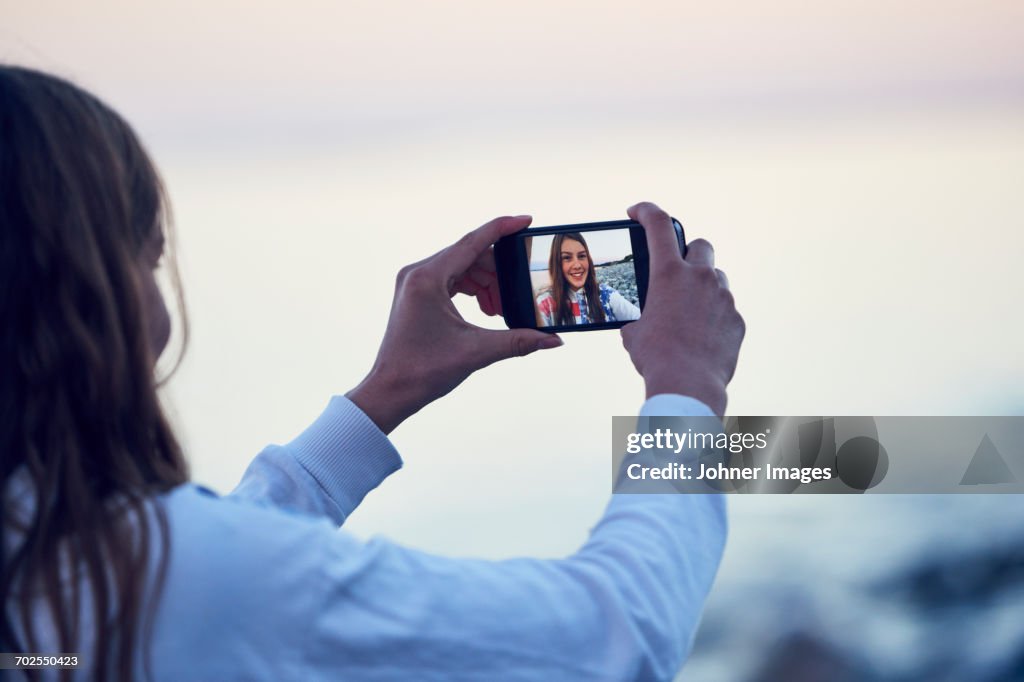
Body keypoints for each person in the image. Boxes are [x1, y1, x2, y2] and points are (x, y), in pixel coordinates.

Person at [0, 65, 745, 681]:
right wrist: (686, 389)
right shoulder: (158, 580)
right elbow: (615, 641)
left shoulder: (51, 560)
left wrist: (381, 398)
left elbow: (219, 575)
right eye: (149, 258)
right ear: (82, 283)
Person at [534, 232, 641, 327]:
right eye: (567, 258)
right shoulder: (545, 303)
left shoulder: (606, 295)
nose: (577, 265)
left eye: (581, 256)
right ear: (556, 263)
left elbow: (643, 320)